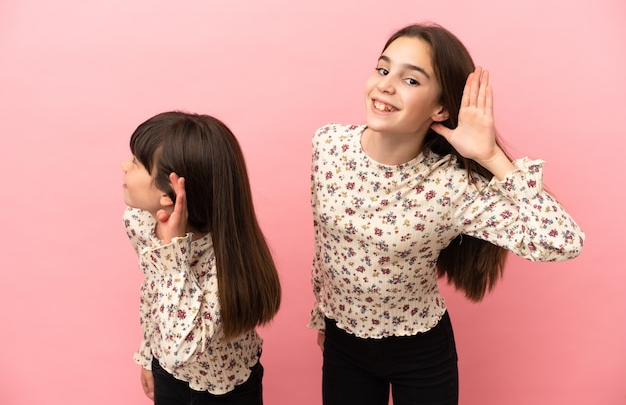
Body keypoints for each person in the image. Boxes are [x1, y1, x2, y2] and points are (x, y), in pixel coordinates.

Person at [308, 23, 585, 405]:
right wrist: (324, 315)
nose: (385, 86)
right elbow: (327, 249)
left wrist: (490, 157)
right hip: (344, 345)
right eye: (383, 70)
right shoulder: (328, 145)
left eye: (411, 80)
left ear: (441, 107)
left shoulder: (452, 188)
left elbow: (563, 242)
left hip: (419, 352)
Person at [121, 111, 281, 404]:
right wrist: (148, 354)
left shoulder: (222, 263)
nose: (123, 166)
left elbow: (180, 347)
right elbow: (153, 292)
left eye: (135, 163)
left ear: (170, 193)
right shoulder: (141, 222)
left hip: (225, 389)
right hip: (168, 373)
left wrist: (172, 257)